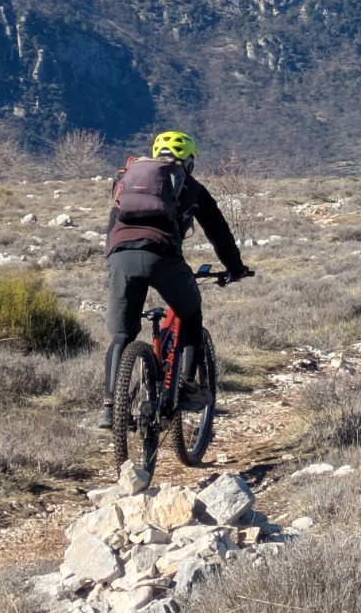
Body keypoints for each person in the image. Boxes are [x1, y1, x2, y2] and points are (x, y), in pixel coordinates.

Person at [99, 131, 252, 429]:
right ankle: (185, 386)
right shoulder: (191, 187)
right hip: (162, 257)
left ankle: (108, 407)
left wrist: (116, 263)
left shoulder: (128, 183)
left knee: (121, 333)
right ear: (189, 162)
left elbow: (111, 229)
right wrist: (235, 269)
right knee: (190, 311)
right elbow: (218, 233)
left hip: (120, 257)